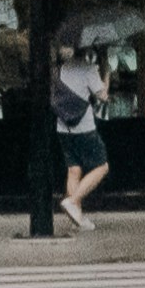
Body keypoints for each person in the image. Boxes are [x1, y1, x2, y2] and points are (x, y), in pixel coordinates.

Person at [51, 55, 111, 231]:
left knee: (74, 169)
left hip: (62, 126)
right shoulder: (88, 68)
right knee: (102, 166)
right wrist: (106, 74)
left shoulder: (61, 68)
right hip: (84, 127)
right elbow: (103, 96)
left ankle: (77, 219)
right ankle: (73, 200)